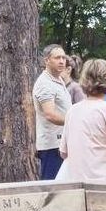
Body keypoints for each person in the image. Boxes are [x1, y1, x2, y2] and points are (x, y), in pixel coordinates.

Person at [33, 44, 73, 179]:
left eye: (63, 58)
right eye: (57, 58)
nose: (62, 61)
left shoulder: (58, 79)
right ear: (47, 60)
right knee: (52, 186)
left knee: (66, 185)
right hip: (52, 146)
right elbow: (50, 114)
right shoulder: (44, 84)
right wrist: (74, 120)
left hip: (63, 142)